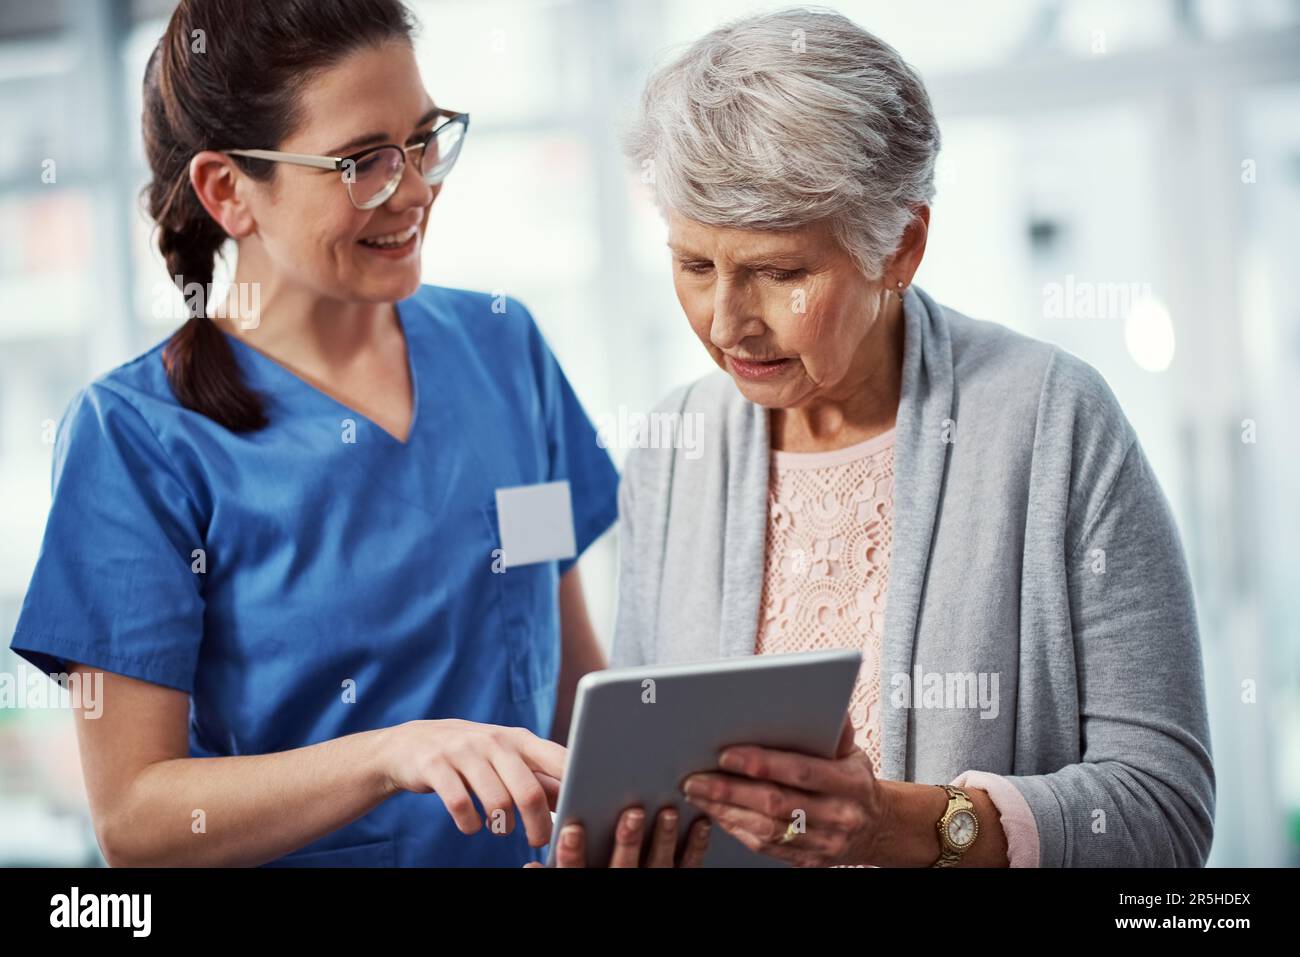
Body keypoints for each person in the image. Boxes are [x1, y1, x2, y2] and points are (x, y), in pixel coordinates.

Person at [8, 0, 691, 867]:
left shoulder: (502, 350)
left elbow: (567, 691)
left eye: (423, 138)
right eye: (362, 161)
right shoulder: (138, 439)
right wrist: (386, 755)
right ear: (228, 192)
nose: (414, 189)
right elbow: (136, 819)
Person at [603, 7, 1215, 867]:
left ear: (901, 245)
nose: (726, 321)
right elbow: (642, 779)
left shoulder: (1052, 423)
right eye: (695, 265)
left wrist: (900, 824)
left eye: (779, 272)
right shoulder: (672, 448)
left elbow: (1164, 812)